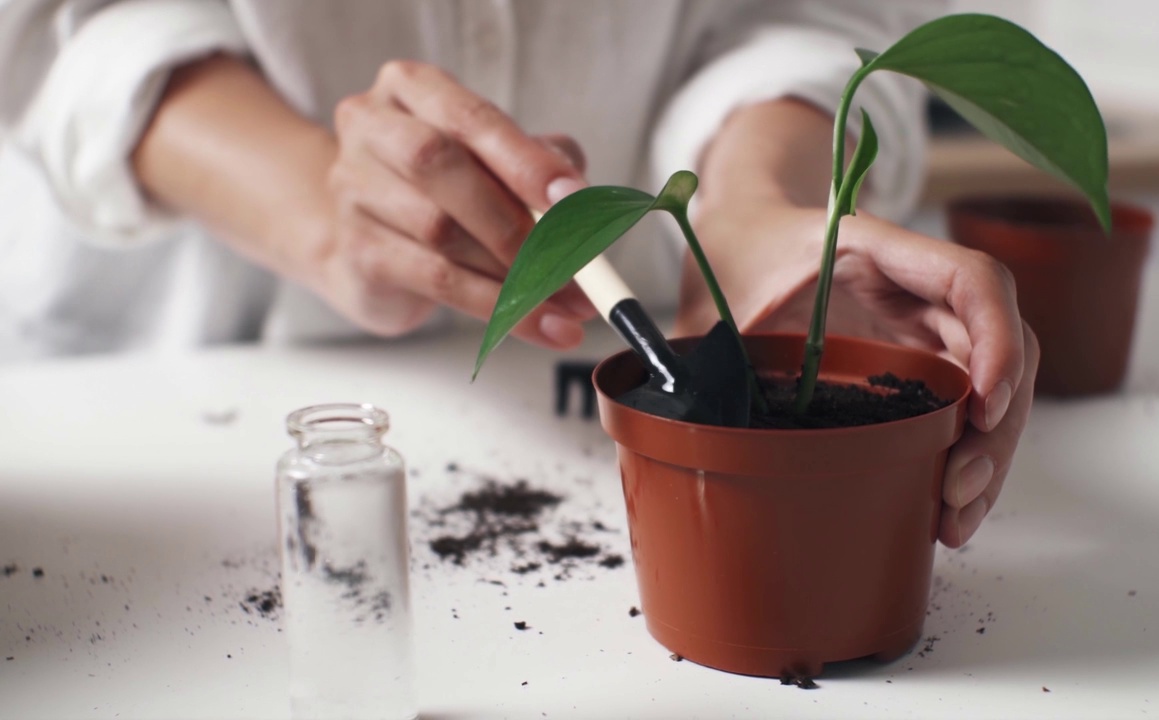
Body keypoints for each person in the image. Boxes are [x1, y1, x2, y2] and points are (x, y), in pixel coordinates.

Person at [0, 0, 1036, 547]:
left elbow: (821, 16)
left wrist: (753, 204)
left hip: (597, 395)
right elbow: (54, 26)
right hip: (169, 404)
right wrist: (320, 201)